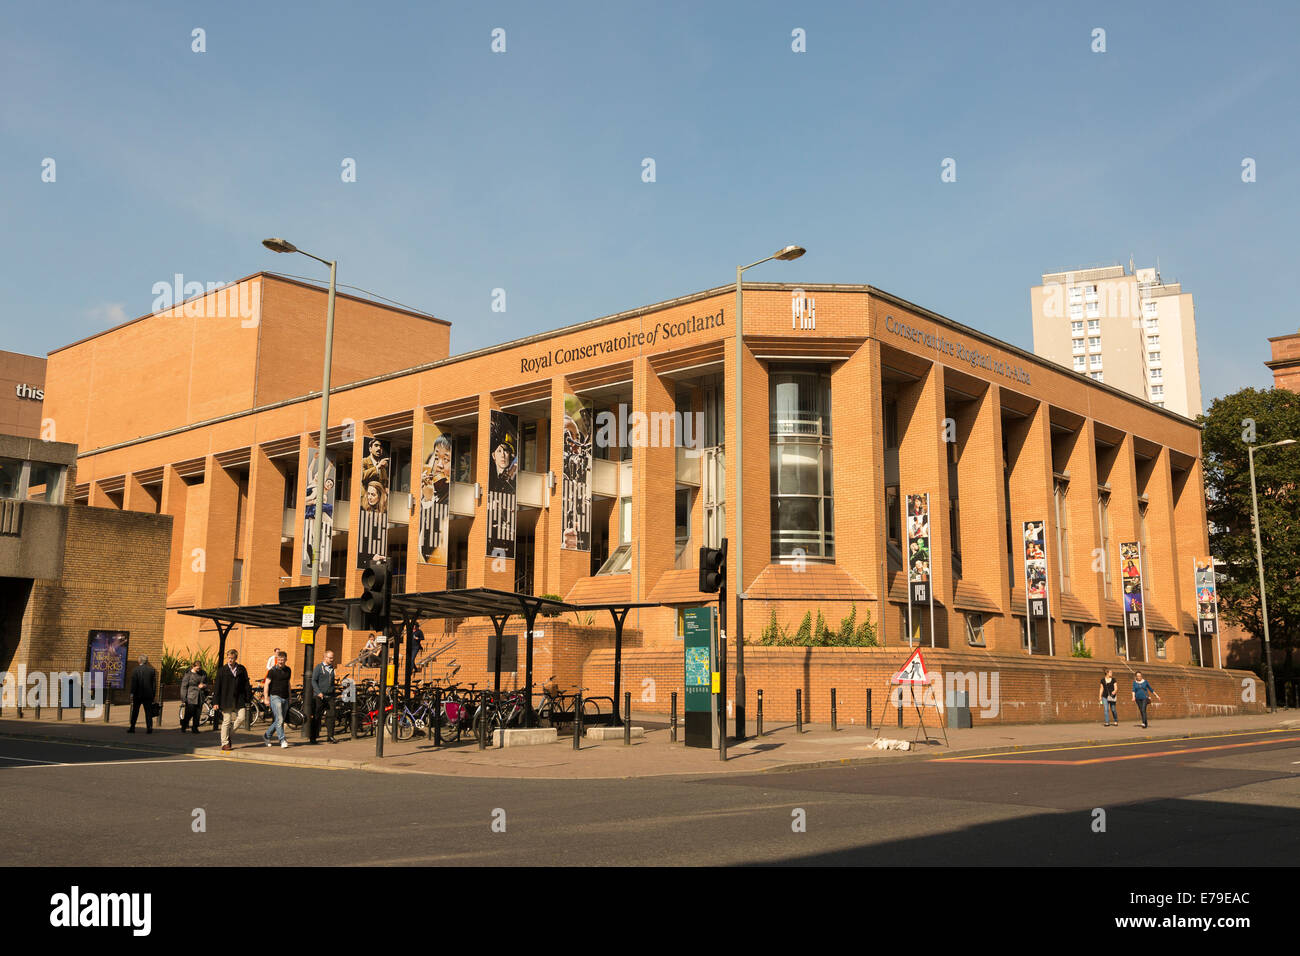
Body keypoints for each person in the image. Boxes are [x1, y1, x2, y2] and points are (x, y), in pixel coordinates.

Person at [212, 649, 252, 752]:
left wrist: (248, 697)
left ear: (235, 658)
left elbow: (246, 684)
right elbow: (217, 687)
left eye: (232, 658)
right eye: (229, 658)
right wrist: (215, 702)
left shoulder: (242, 669)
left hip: (239, 699)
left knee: (242, 717)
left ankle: (228, 734)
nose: (230, 660)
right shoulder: (222, 670)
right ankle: (225, 743)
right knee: (227, 720)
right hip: (226, 699)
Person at [262, 650, 291, 749]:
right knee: (279, 719)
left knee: (279, 721)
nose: (280, 662)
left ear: (286, 659)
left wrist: (290, 698)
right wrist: (266, 698)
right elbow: (266, 684)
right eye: (279, 660)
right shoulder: (272, 671)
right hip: (275, 697)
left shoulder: (288, 670)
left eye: (282, 660)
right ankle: (282, 740)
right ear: (277, 659)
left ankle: (267, 736)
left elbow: (288, 684)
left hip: (285, 697)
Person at [309, 650, 338, 744]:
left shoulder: (332, 668)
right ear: (325, 657)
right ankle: (313, 737)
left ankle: (330, 736)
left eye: (332, 658)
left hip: (330, 696)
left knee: (331, 716)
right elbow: (313, 681)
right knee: (317, 716)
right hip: (319, 696)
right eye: (330, 658)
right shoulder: (319, 667)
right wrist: (318, 692)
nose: (332, 659)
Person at [127, 655, 157, 734]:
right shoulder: (151, 670)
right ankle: (149, 727)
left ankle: (132, 727)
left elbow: (134, 683)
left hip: (137, 694)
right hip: (148, 695)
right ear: (146, 661)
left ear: (139, 661)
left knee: (135, 711)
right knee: (148, 712)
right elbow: (154, 685)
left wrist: (132, 693)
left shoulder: (135, 670)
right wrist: (153, 695)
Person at [179, 662, 207, 734]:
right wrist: (183, 698)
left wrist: (204, 685)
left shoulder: (203, 673)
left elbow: (206, 683)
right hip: (191, 696)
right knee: (189, 713)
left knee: (197, 713)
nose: (199, 669)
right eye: (197, 668)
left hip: (200, 696)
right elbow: (184, 687)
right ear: (193, 667)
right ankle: (184, 725)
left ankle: (195, 728)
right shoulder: (188, 675)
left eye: (200, 668)